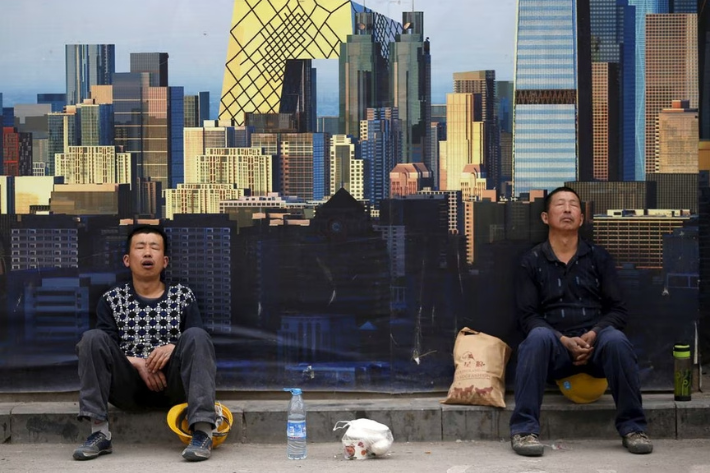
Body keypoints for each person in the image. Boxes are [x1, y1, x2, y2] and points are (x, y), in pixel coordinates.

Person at [509, 187, 653, 457]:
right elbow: (527, 316)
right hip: (554, 349)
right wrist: (562, 340)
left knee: (617, 340)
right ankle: (524, 431)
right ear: (544, 217)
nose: (566, 209)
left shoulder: (598, 258)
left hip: (595, 346)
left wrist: (594, 334)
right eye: (560, 205)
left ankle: (634, 428)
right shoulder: (531, 261)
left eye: (573, 205)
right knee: (536, 338)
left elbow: (618, 311)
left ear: (581, 217)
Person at [73, 225, 217, 462]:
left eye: (154, 248)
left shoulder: (183, 295)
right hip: (127, 388)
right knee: (91, 339)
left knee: (197, 336)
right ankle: (99, 433)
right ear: (127, 260)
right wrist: (138, 364)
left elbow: (196, 343)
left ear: (165, 260)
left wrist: (173, 348)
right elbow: (104, 350)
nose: (148, 253)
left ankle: (202, 432)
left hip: (174, 386)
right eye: (140, 247)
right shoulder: (112, 299)